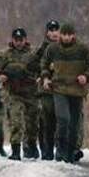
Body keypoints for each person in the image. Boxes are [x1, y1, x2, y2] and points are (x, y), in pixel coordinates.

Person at [41, 23, 89, 164]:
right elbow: (44, 64)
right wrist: (46, 78)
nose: (66, 37)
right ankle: (60, 149)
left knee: (74, 123)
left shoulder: (82, 49)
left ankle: (70, 152)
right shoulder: (52, 49)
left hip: (77, 90)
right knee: (63, 118)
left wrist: (86, 76)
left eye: (69, 35)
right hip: (59, 88)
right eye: (64, 34)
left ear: (73, 35)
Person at [0, 28, 40, 160]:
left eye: (21, 40)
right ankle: (15, 150)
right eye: (16, 40)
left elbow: (41, 67)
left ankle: (31, 145)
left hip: (31, 93)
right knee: (16, 121)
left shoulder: (33, 54)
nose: (18, 42)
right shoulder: (5, 54)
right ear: (12, 40)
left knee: (33, 123)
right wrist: (1, 76)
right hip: (14, 93)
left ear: (25, 40)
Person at [34, 20, 60, 160]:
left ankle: (61, 149)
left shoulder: (65, 47)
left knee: (61, 119)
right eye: (51, 30)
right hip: (45, 89)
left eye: (56, 30)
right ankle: (46, 150)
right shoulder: (42, 48)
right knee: (46, 120)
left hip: (62, 88)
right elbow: (32, 65)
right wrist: (40, 76)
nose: (54, 33)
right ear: (47, 32)